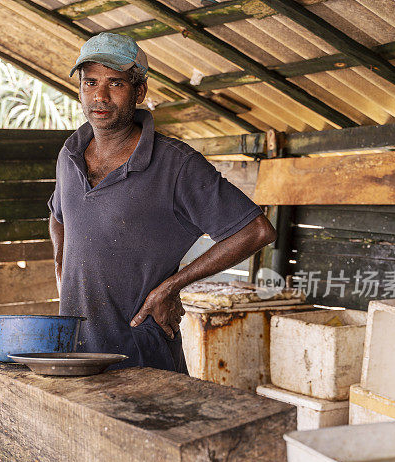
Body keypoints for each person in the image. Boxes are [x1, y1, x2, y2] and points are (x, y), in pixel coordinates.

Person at [48, 32, 277, 373]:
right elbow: (58, 215)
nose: (100, 95)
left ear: (139, 92)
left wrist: (172, 285)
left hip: (142, 353)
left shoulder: (175, 164)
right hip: (77, 351)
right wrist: (60, 266)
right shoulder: (70, 154)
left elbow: (256, 231)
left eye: (116, 84)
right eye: (90, 82)